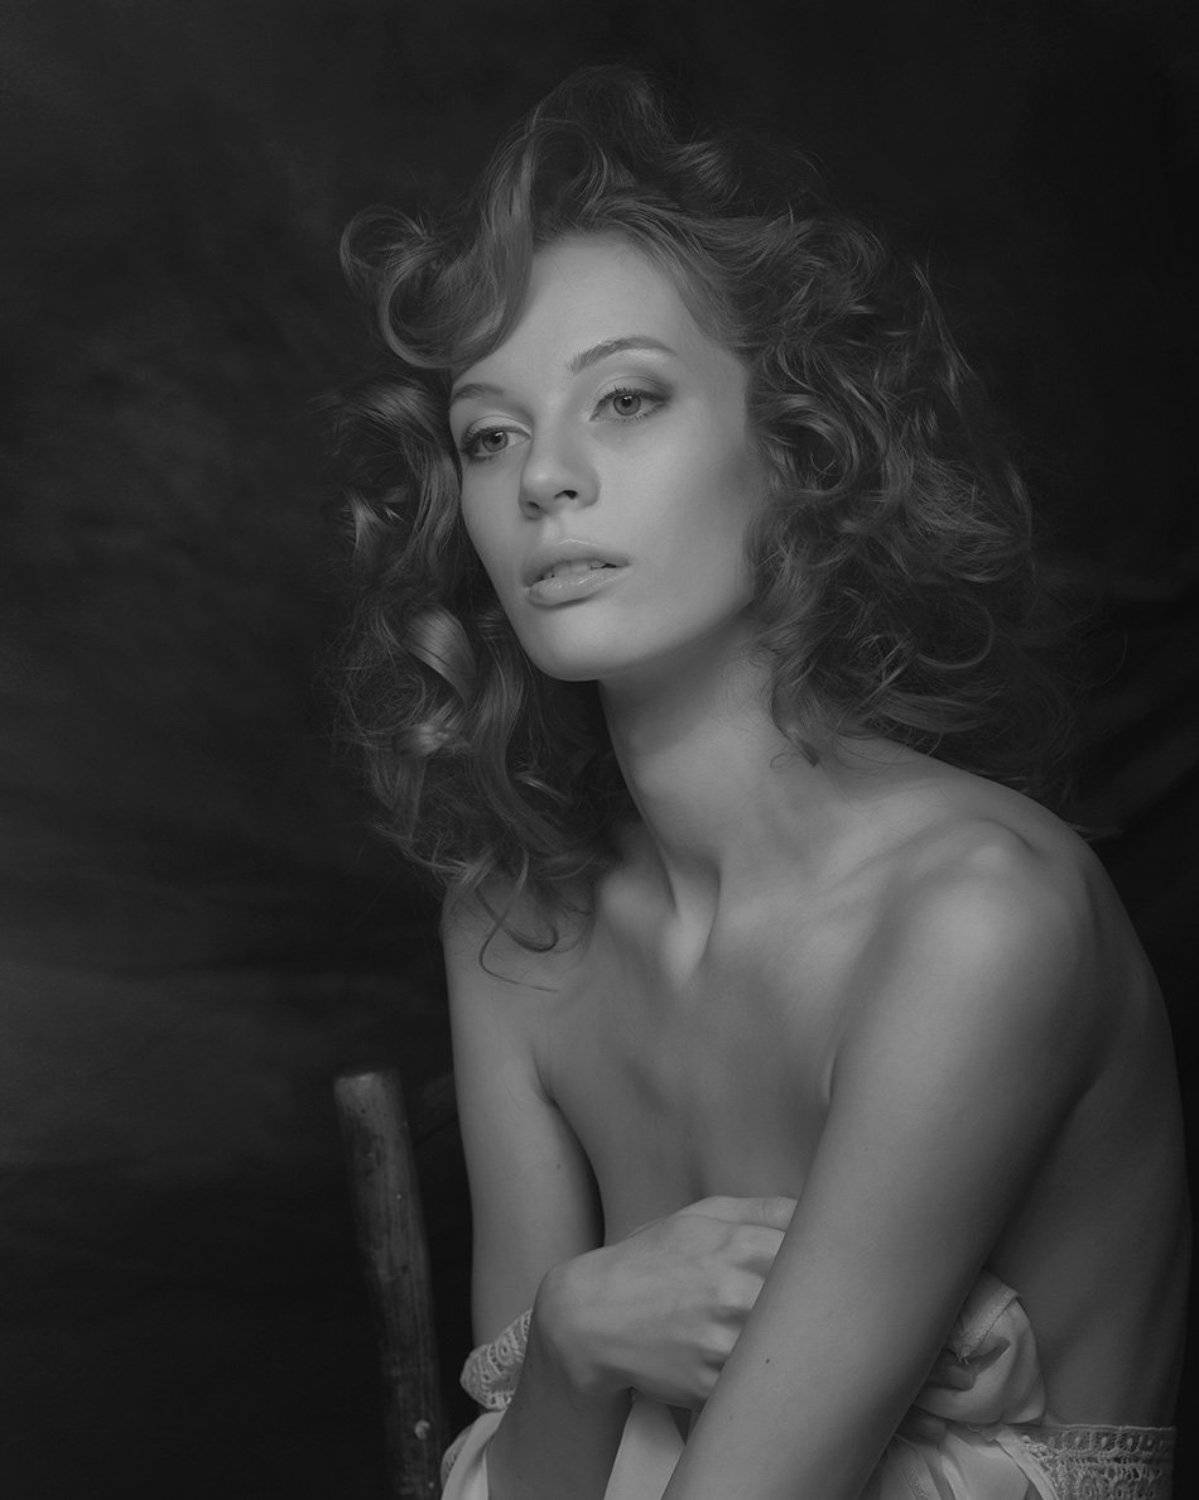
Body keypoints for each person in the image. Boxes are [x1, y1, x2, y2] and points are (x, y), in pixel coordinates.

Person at [337, 67, 1188, 1499]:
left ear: (798, 447)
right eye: (491, 434)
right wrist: (579, 1339)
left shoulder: (978, 917)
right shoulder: (514, 931)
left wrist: (562, 1380)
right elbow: (503, 1479)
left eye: (625, 399)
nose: (546, 478)